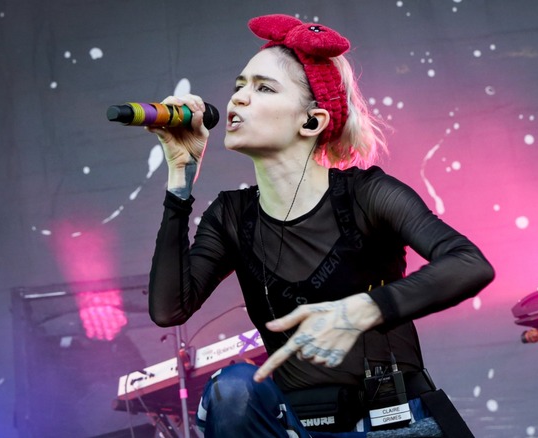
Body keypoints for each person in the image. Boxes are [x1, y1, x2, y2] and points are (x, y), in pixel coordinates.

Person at [147, 13, 494, 438]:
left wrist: (363, 309)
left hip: (392, 424)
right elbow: (169, 309)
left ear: (311, 122)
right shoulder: (231, 215)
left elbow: (470, 263)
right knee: (232, 388)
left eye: (263, 88)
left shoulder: (366, 194)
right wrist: (179, 182)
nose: (237, 99)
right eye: (239, 86)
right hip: (298, 428)